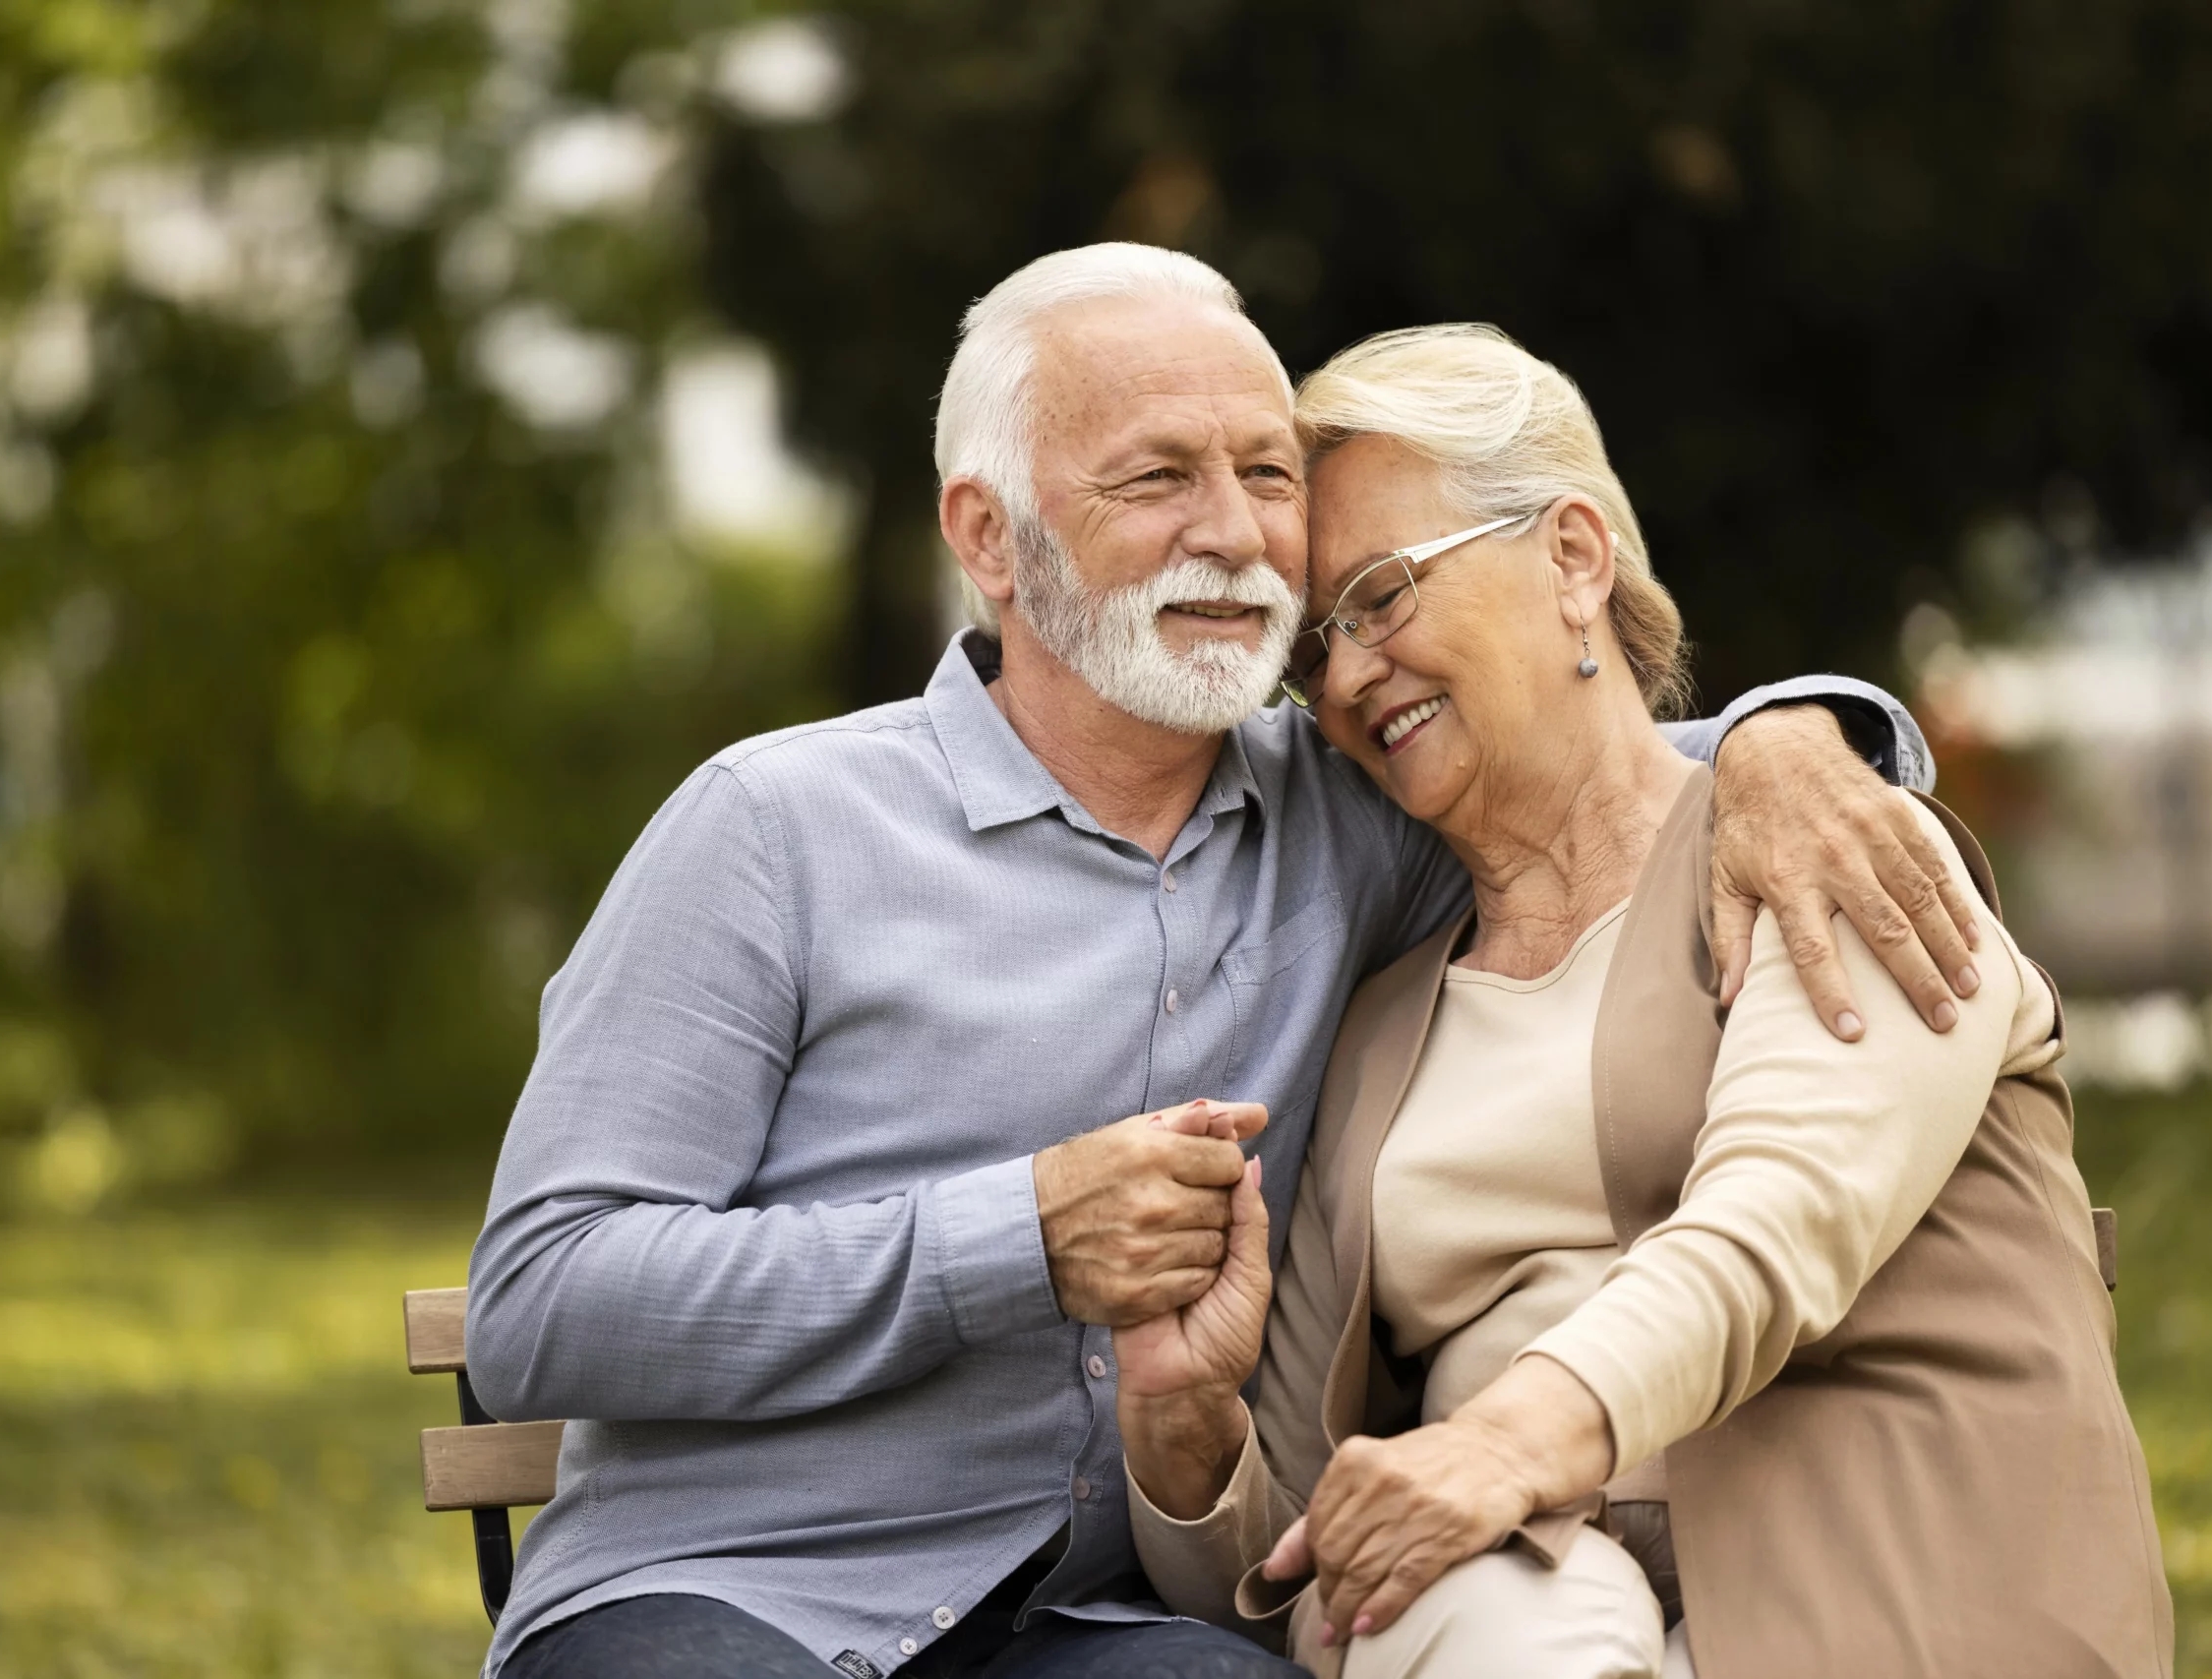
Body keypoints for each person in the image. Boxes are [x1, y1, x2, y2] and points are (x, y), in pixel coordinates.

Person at [464, 245, 1984, 1679]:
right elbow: (539, 1299)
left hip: (1104, 1626)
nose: (1236, 531)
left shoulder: (1358, 805)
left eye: (1266, 473)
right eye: (1157, 478)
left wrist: (1805, 734)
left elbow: (1608, 767)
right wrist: (1020, 1240)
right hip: (734, 1597)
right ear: (988, 534)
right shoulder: (770, 829)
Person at [1115, 323, 2173, 1679]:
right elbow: (1299, 1557)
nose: (1350, 675)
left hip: (1888, 1601)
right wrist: (1185, 1422)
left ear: (1572, 557)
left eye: (1381, 596)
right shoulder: (1379, 1030)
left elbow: (1770, 1229)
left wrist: (1496, 1448)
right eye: (1313, 648)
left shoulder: (1829, 850)